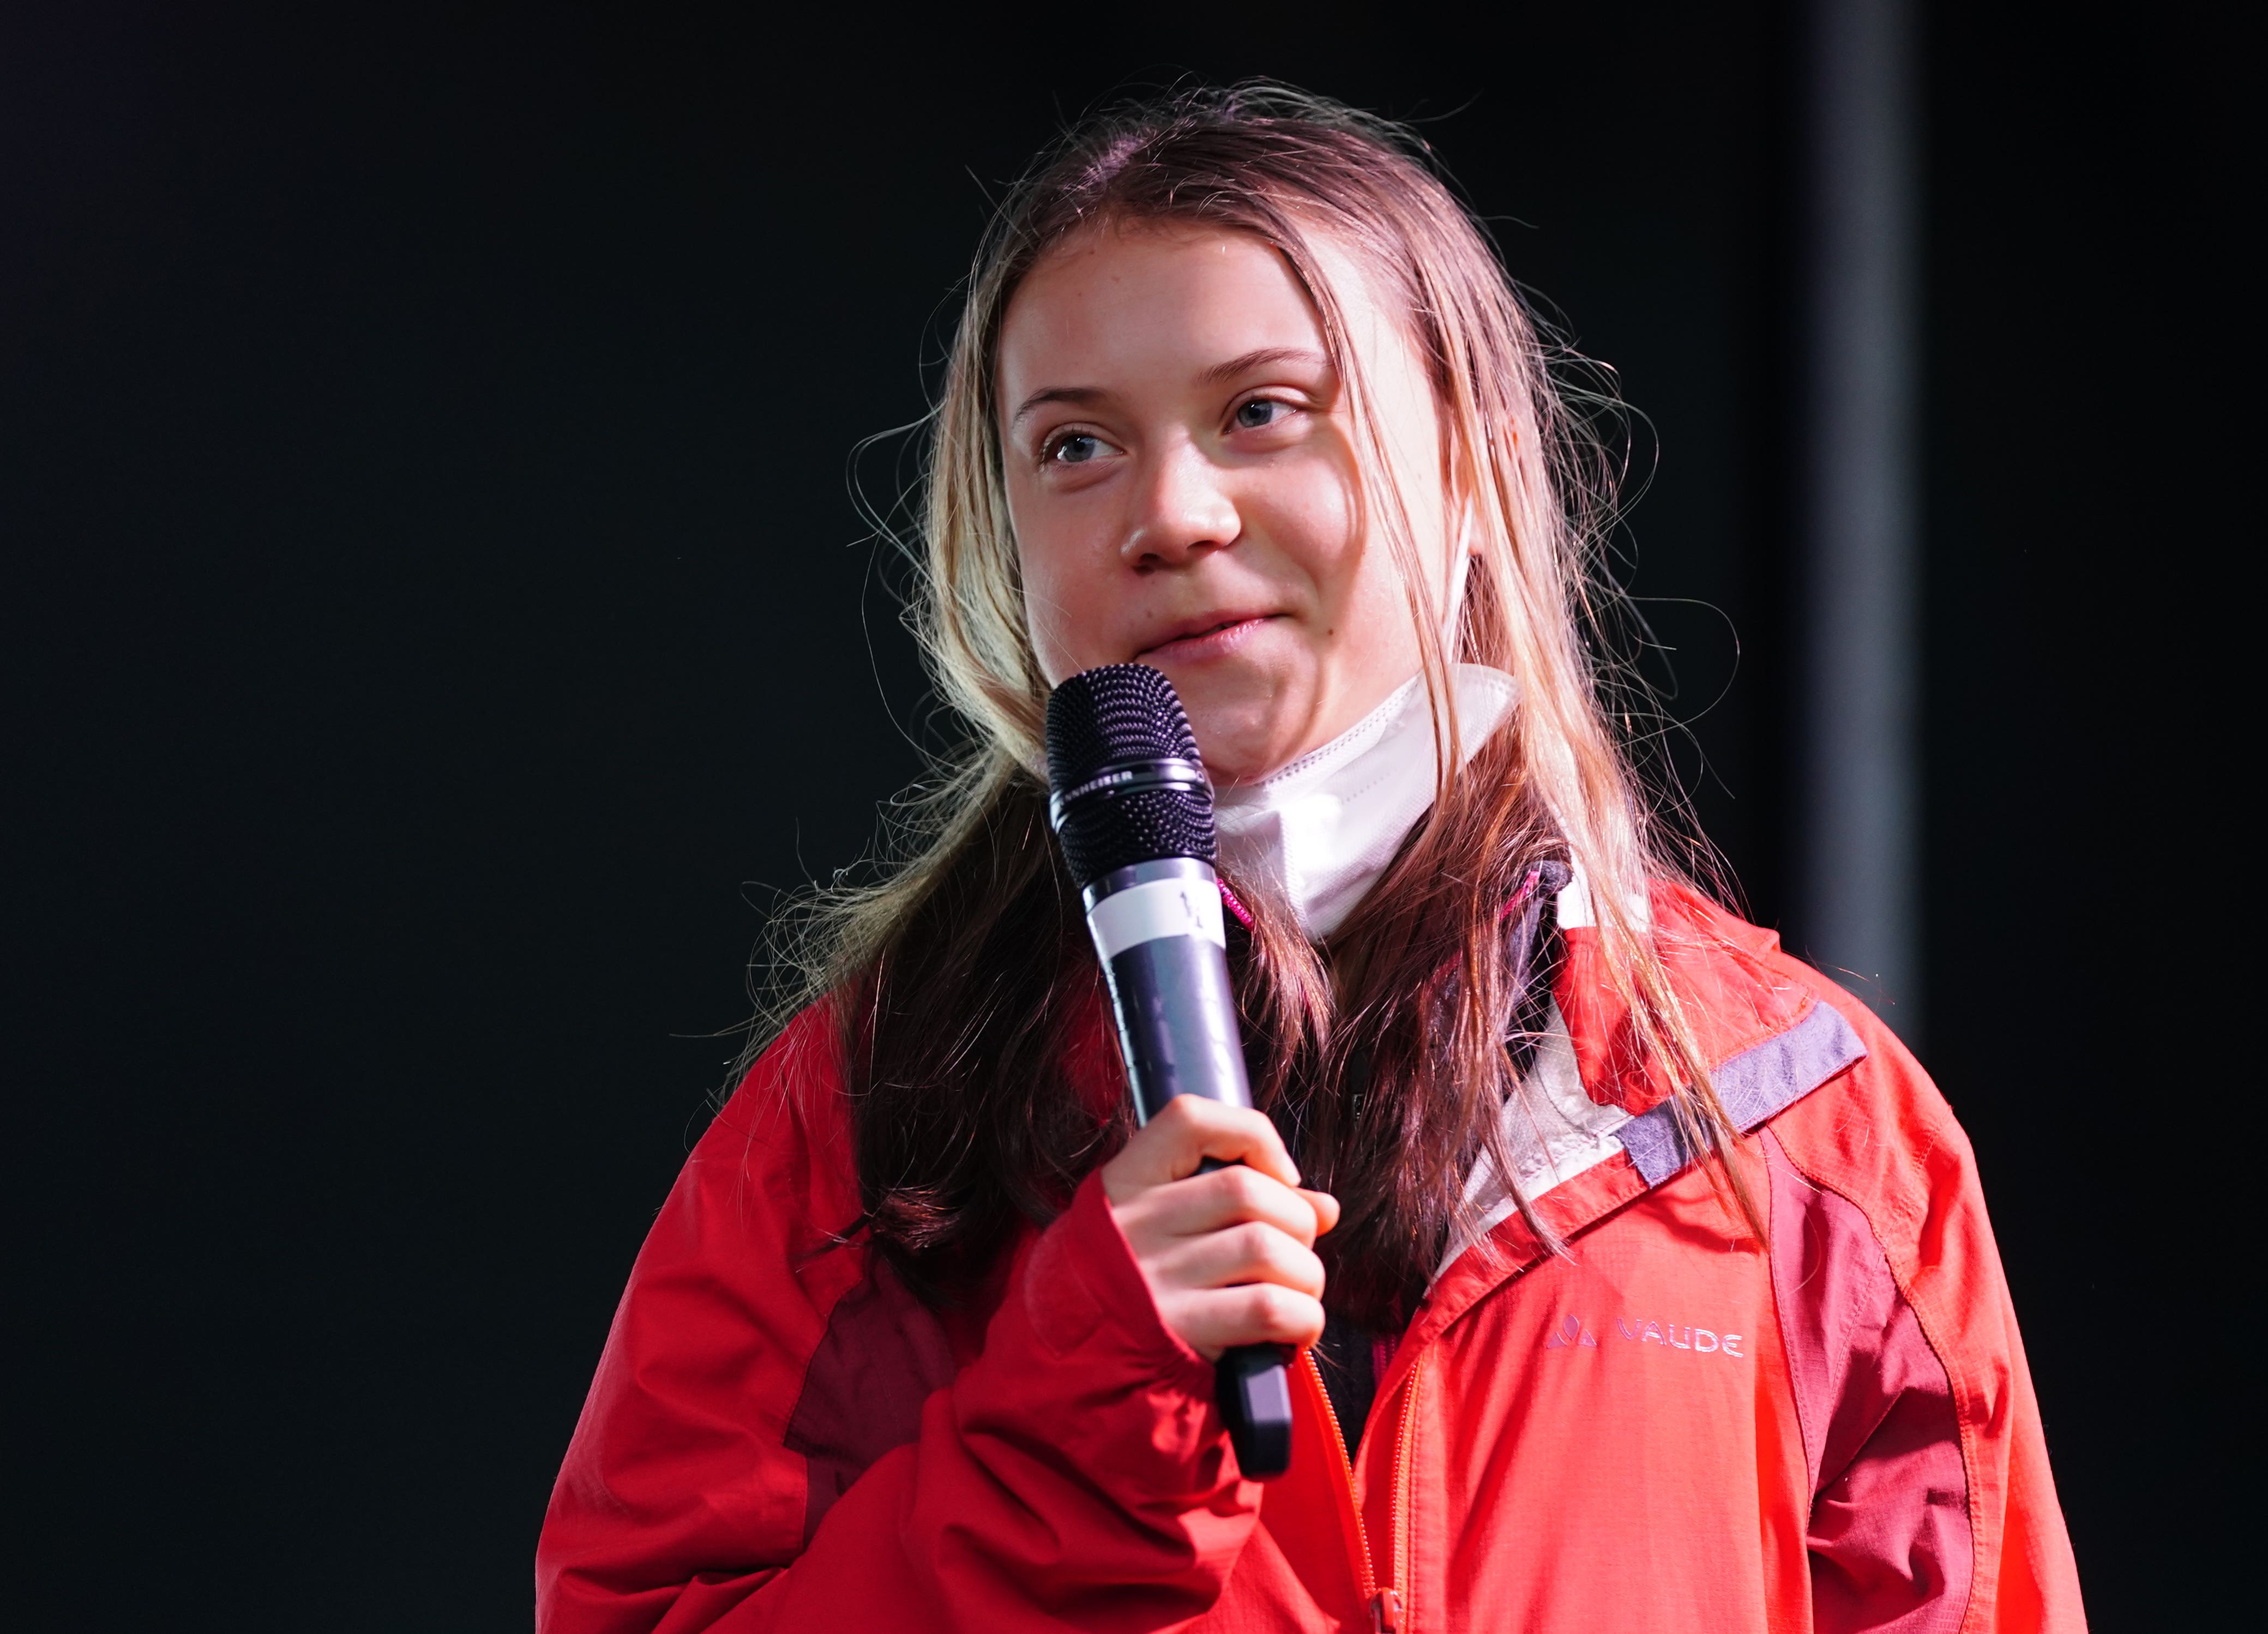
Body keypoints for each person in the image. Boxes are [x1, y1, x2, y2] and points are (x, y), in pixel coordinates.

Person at [537, 84, 2084, 1633]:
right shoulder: (858, 1119)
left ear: (1473, 468)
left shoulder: (1806, 1126)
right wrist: (1066, 1437)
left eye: (1263, 411)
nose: (1172, 513)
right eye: (1075, 445)